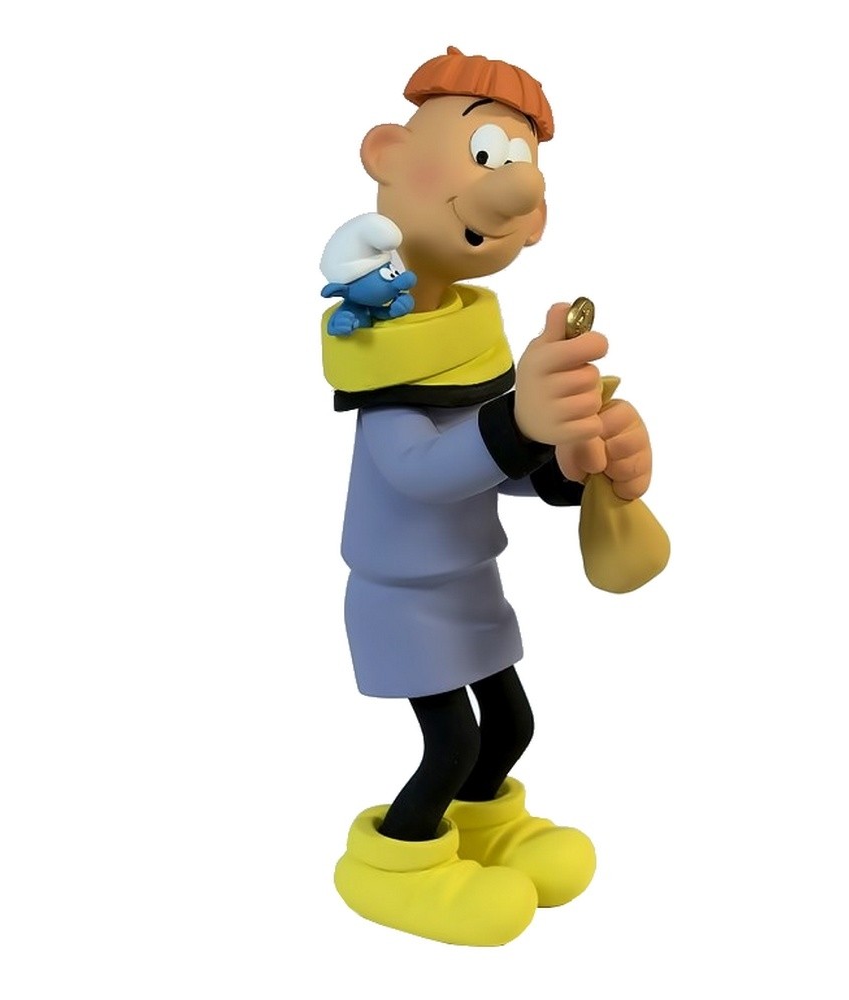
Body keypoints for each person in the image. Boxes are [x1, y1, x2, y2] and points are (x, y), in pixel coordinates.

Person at [322, 46, 653, 946]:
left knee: (510, 722)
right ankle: (397, 860)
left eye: (520, 164)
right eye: (486, 155)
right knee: (453, 741)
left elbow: (495, 471)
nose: (517, 188)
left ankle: (483, 830)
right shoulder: (388, 371)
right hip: (401, 595)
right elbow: (421, 471)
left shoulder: (465, 348)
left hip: (470, 582)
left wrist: (573, 460)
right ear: (389, 157)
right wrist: (518, 420)